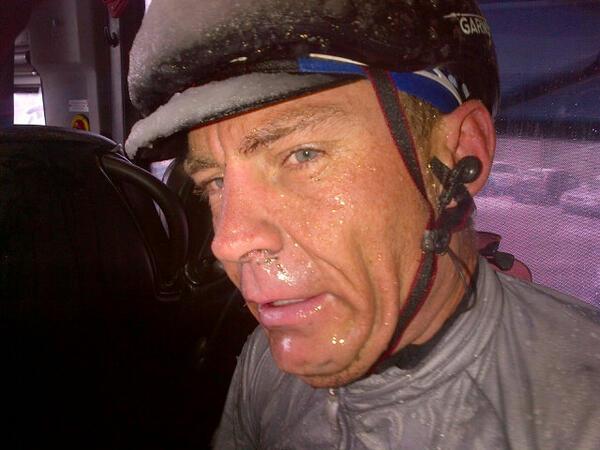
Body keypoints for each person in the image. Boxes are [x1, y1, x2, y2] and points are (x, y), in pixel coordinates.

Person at [124, 0, 600, 448]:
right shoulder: (266, 360)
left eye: (303, 155)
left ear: (459, 154)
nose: (229, 242)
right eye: (215, 181)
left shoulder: (581, 414)